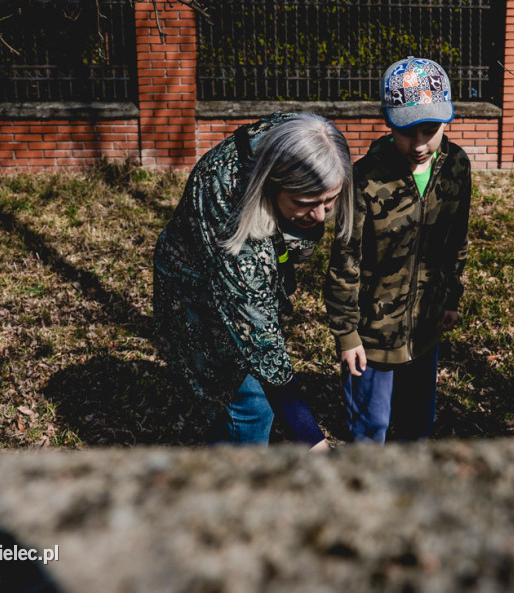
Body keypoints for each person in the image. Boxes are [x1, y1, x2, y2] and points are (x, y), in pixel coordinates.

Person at [153, 112, 354, 449]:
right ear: (270, 185)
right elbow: (259, 335)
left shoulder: (306, 140)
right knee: (250, 402)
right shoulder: (229, 206)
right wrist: (310, 437)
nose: (321, 216)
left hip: (241, 275)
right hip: (194, 291)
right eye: (306, 204)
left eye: (329, 202)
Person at [325, 56, 472, 443]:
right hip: (373, 334)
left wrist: (451, 296)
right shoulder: (365, 178)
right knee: (370, 430)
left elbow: (456, 238)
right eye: (408, 131)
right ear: (388, 121)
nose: (420, 143)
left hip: (425, 326)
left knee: (418, 423)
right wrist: (346, 334)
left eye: (430, 129)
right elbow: (345, 260)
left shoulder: (457, 166)